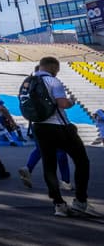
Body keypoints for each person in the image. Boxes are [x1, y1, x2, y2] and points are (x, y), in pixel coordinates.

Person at [30, 56, 99, 217]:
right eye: (57, 69)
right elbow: (62, 104)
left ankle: (59, 205)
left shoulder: (28, 83)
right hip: (59, 126)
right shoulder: (54, 81)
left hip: (39, 126)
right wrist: (71, 101)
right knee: (82, 161)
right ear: (53, 67)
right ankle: (80, 201)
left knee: (49, 165)